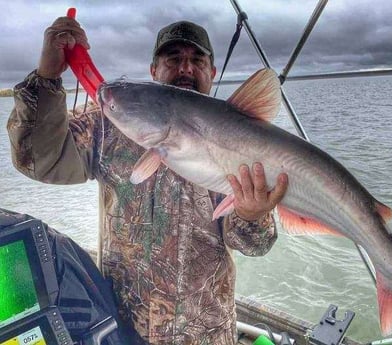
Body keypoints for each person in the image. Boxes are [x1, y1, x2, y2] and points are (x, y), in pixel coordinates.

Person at [7, 15, 288, 345]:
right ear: (154, 70)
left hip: (208, 335)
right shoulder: (108, 126)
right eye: (173, 59)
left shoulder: (239, 142)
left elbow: (255, 244)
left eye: (197, 60)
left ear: (212, 74)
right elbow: (37, 160)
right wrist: (47, 77)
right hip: (123, 330)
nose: (185, 68)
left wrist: (253, 214)